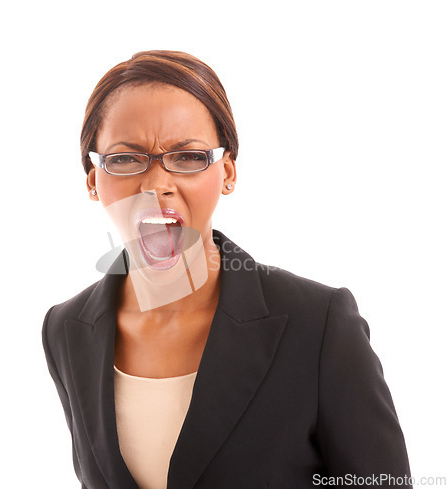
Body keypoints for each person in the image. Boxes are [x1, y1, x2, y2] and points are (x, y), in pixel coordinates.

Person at [42, 50, 412, 489]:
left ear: (228, 172)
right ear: (92, 178)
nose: (157, 184)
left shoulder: (319, 323)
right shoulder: (65, 328)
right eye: (125, 159)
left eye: (188, 157)